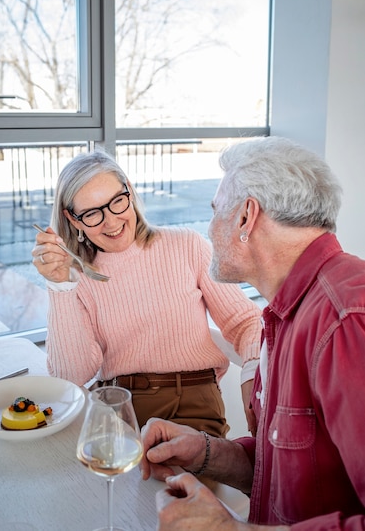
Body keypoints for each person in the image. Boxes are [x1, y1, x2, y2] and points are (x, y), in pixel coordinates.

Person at [140, 136, 365, 530]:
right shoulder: (282, 314)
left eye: (214, 212)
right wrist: (203, 451)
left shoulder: (346, 322)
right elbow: (280, 473)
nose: (209, 229)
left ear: (246, 217)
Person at [32, 149, 262, 437]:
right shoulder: (76, 277)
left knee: (175, 482)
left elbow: (245, 322)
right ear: (74, 220)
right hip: (111, 406)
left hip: (190, 404)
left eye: (117, 201)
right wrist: (60, 285)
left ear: (129, 190)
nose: (111, 222)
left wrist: (254, 373)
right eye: (92, 213)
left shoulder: (187, 246)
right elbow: (70, 376)